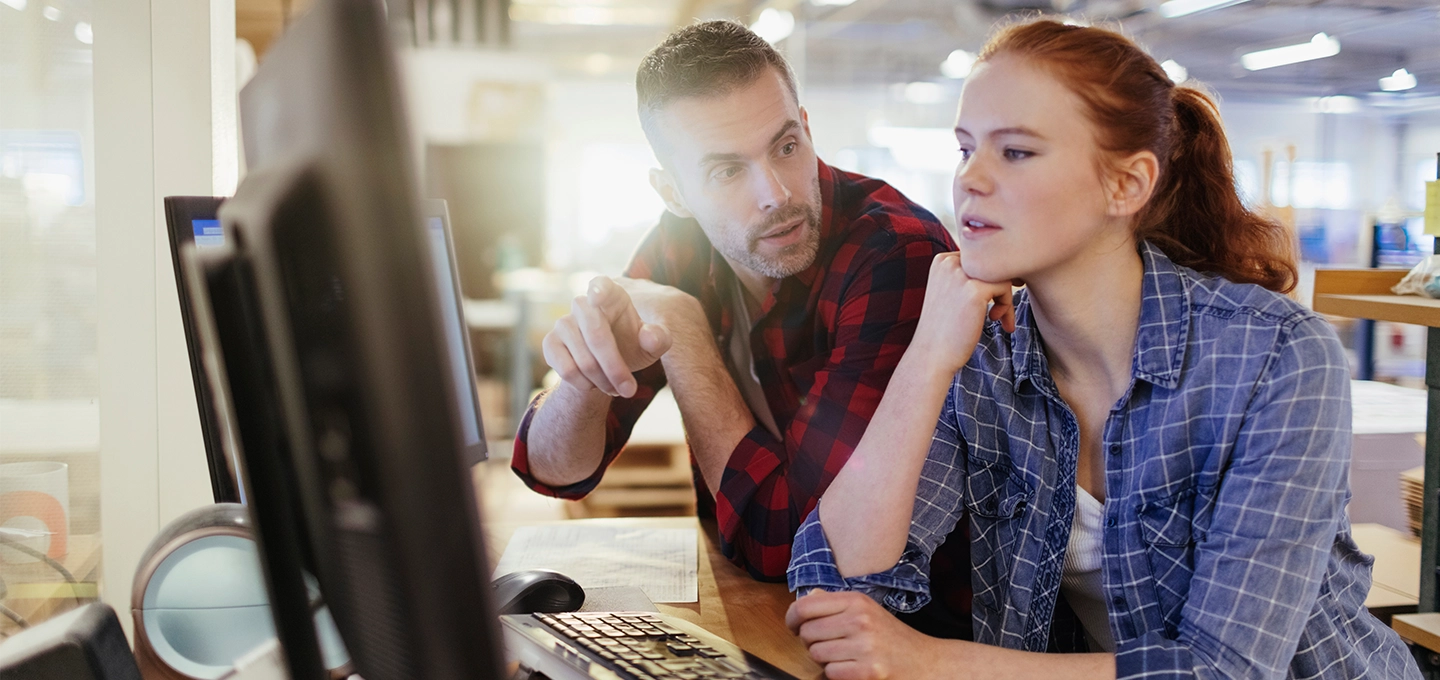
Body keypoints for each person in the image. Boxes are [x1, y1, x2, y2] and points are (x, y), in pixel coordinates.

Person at [785, 18, 1421, 680]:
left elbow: (1223, 671)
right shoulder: (982, 353)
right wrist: (925, 359)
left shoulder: (1278, 355)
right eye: (966, 148)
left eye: (1016, 152)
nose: (970, 179)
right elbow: (833, 585)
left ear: (1127, 185)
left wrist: (928, 661)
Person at [511, 20, 966, 603]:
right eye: (726, 171)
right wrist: (582, 380)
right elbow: (551, 469)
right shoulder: (684, 243)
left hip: (905, 625)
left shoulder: (894, 253)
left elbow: (785, 542)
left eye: (784, 146)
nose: (775, 192)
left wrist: (681, 330)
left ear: (805, 128)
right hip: (762, 610)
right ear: (674, 194)